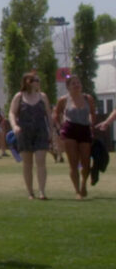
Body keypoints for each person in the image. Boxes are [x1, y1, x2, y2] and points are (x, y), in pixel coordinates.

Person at [9, 72, 52, 200]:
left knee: (41, 160)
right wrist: (14, 126)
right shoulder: (19, 96)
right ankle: (30, 192)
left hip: (40, 131)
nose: (37, 82)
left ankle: (42, 191)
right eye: (34, 80)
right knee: (27, 163)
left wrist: (52, 131)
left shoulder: (43, 97)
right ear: (27, 82)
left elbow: (49, 115)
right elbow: (11, 112)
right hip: (24, 132)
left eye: (38, 80)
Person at [54, 75, 96, 199]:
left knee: (86, 163)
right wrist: (59, 127)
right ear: (68, 87)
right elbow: (56, 114)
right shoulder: (63, 100)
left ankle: (84, 184)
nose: (76, 85)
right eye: (73, 83)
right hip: (69, 130)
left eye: (78, 83)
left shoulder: (88, 98)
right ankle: (77, 190)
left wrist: (92, 126)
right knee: (73, 163)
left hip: (84, 130)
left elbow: (93, 113)